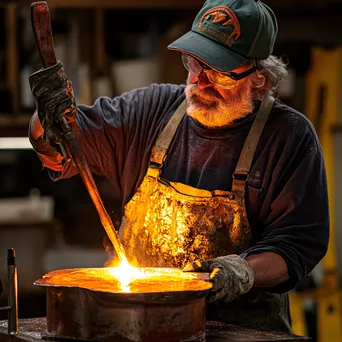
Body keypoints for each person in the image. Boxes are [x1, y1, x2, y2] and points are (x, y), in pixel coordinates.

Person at [28, 0, 329, 333]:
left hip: (240, 329)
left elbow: (296, 248)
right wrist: (47, 118)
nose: (199, 82)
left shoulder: (289, 137)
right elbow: (61, 148)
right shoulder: (149, 110)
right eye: (194, 64)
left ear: (260, 79)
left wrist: (241, 272)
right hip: (138, 327)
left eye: (218, 73)